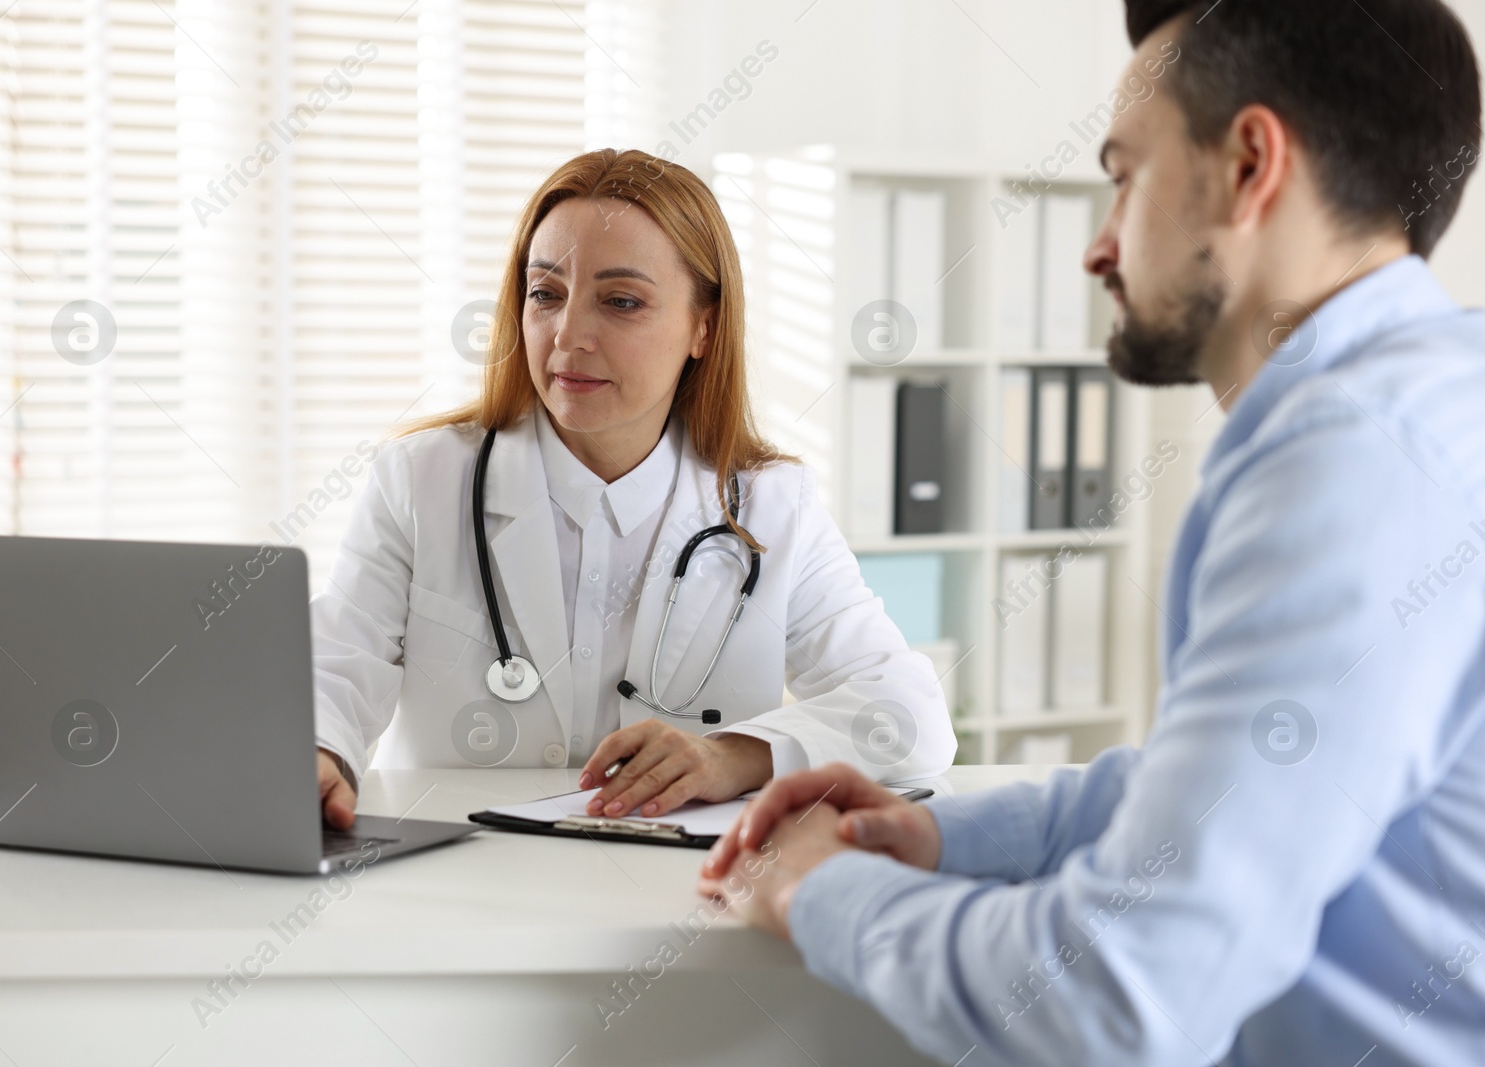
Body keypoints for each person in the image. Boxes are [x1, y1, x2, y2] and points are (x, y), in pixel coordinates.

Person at [699, 1, 1485, 1064]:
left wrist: (821, 891)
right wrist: (940, 833)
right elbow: (1238, 778)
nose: (1098, 247)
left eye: (1124, 175)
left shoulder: (1350, 457)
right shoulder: (1438, 399)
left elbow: (1119, 994)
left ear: (1250, 163)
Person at [311, 148, 955, 829]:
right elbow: (337, 664)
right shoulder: (423, 479)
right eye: (545, 293)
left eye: (621, 302)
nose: (569, 335)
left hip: (679, 900)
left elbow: (909, 714)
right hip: (460, 889)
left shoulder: (769, 505)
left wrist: (734, 755)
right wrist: (320, 751)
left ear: (703, 326)